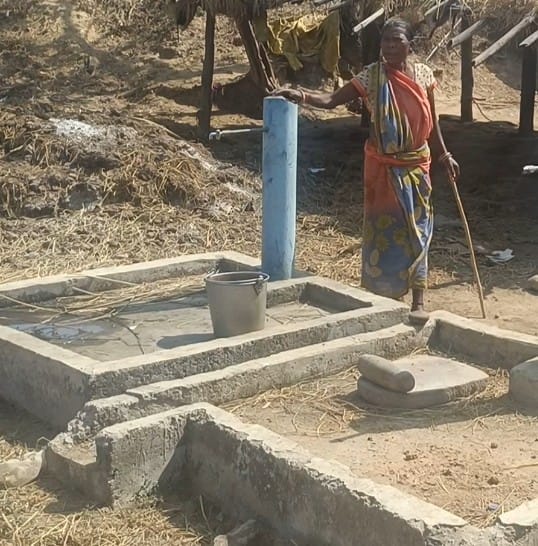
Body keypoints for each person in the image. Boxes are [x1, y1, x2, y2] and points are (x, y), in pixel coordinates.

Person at [274, 17, 460, 322]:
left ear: (409, 44)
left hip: (417, 166)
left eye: (397, 40)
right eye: (386, 40)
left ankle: (418, 299)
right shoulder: (372, 77)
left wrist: (445, 155)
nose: (390, 46)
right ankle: (384, 296)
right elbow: (332, 99)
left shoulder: (424, 75)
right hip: (383, 168)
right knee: (385, 231)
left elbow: (433, 120)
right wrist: (302, 95)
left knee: (418, 231)